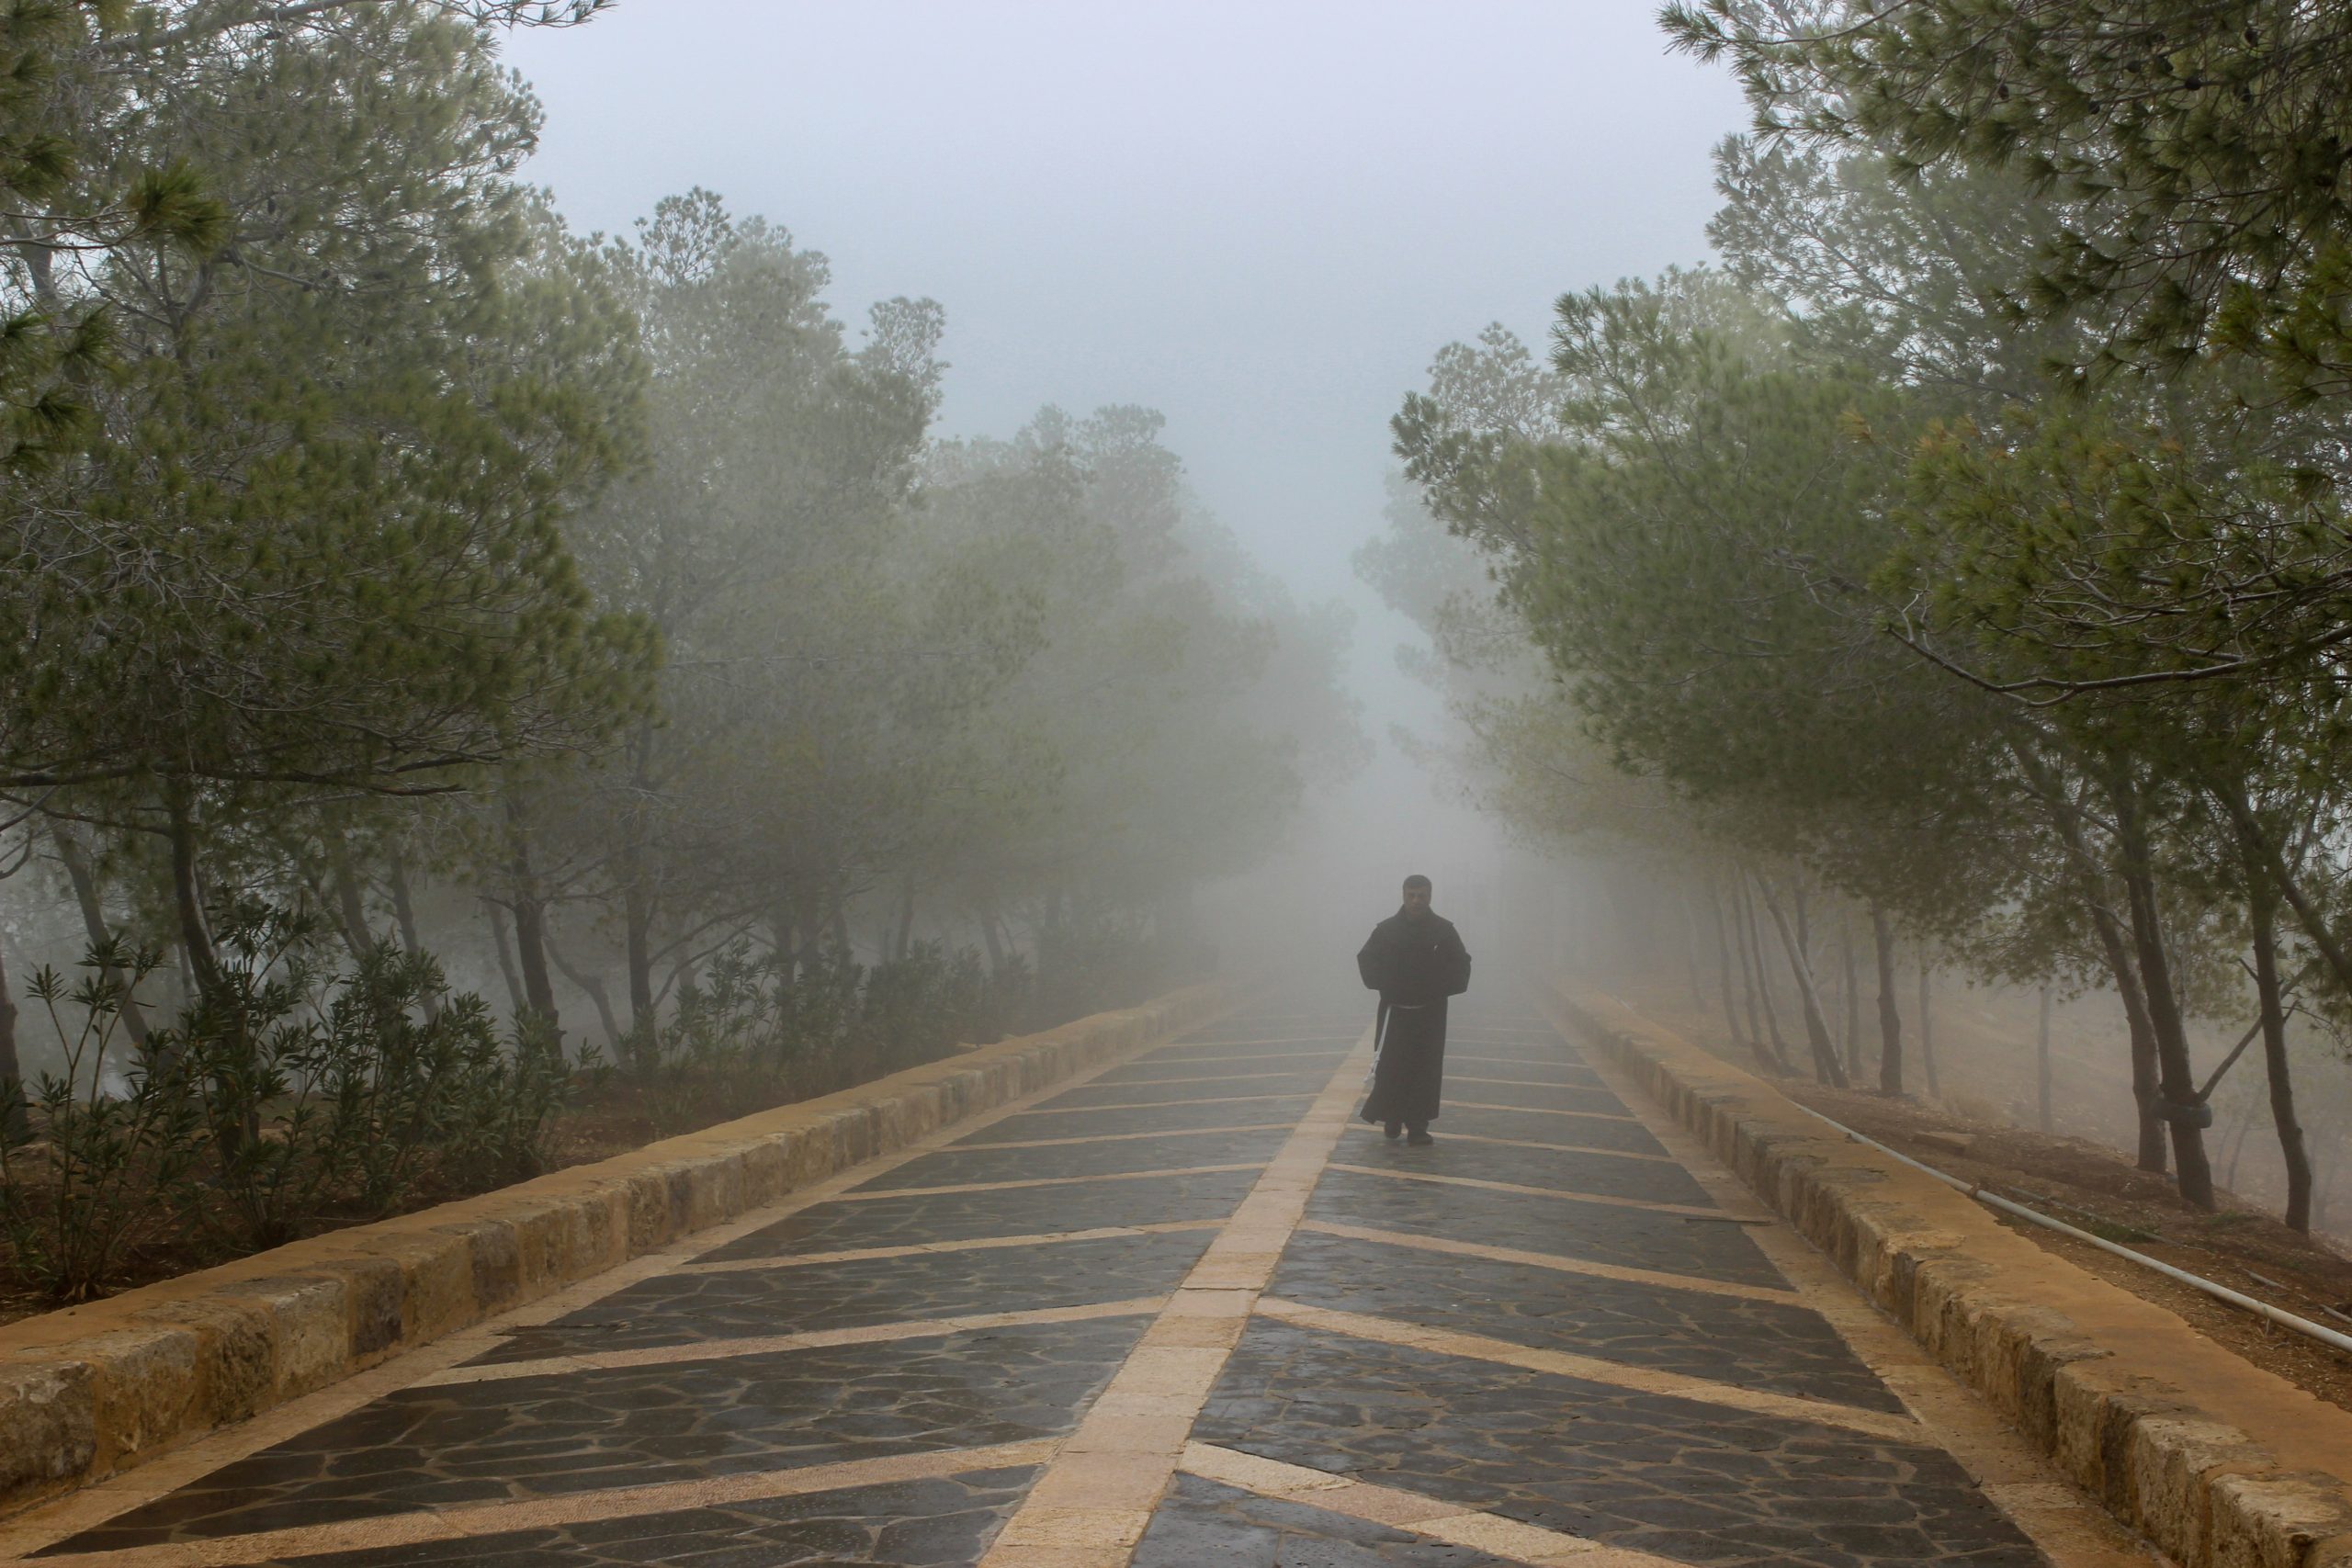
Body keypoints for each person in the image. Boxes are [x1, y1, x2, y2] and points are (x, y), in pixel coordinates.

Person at [1356, 874, 1472, 1145]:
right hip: (1395, 1011)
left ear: (1430, 896)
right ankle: (1392, 1117)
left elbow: (1461, 963)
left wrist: (1439, 986)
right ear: (1404, 895)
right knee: (1391, 1067)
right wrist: (1386, 983)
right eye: (1412, 895)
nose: (1416, 901)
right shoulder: (1386, 930)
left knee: (1425, 1069)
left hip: (1430, 1013)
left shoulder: (1443, 931)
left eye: (1422, 895)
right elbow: (1367, 959)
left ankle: (1418, 1126)